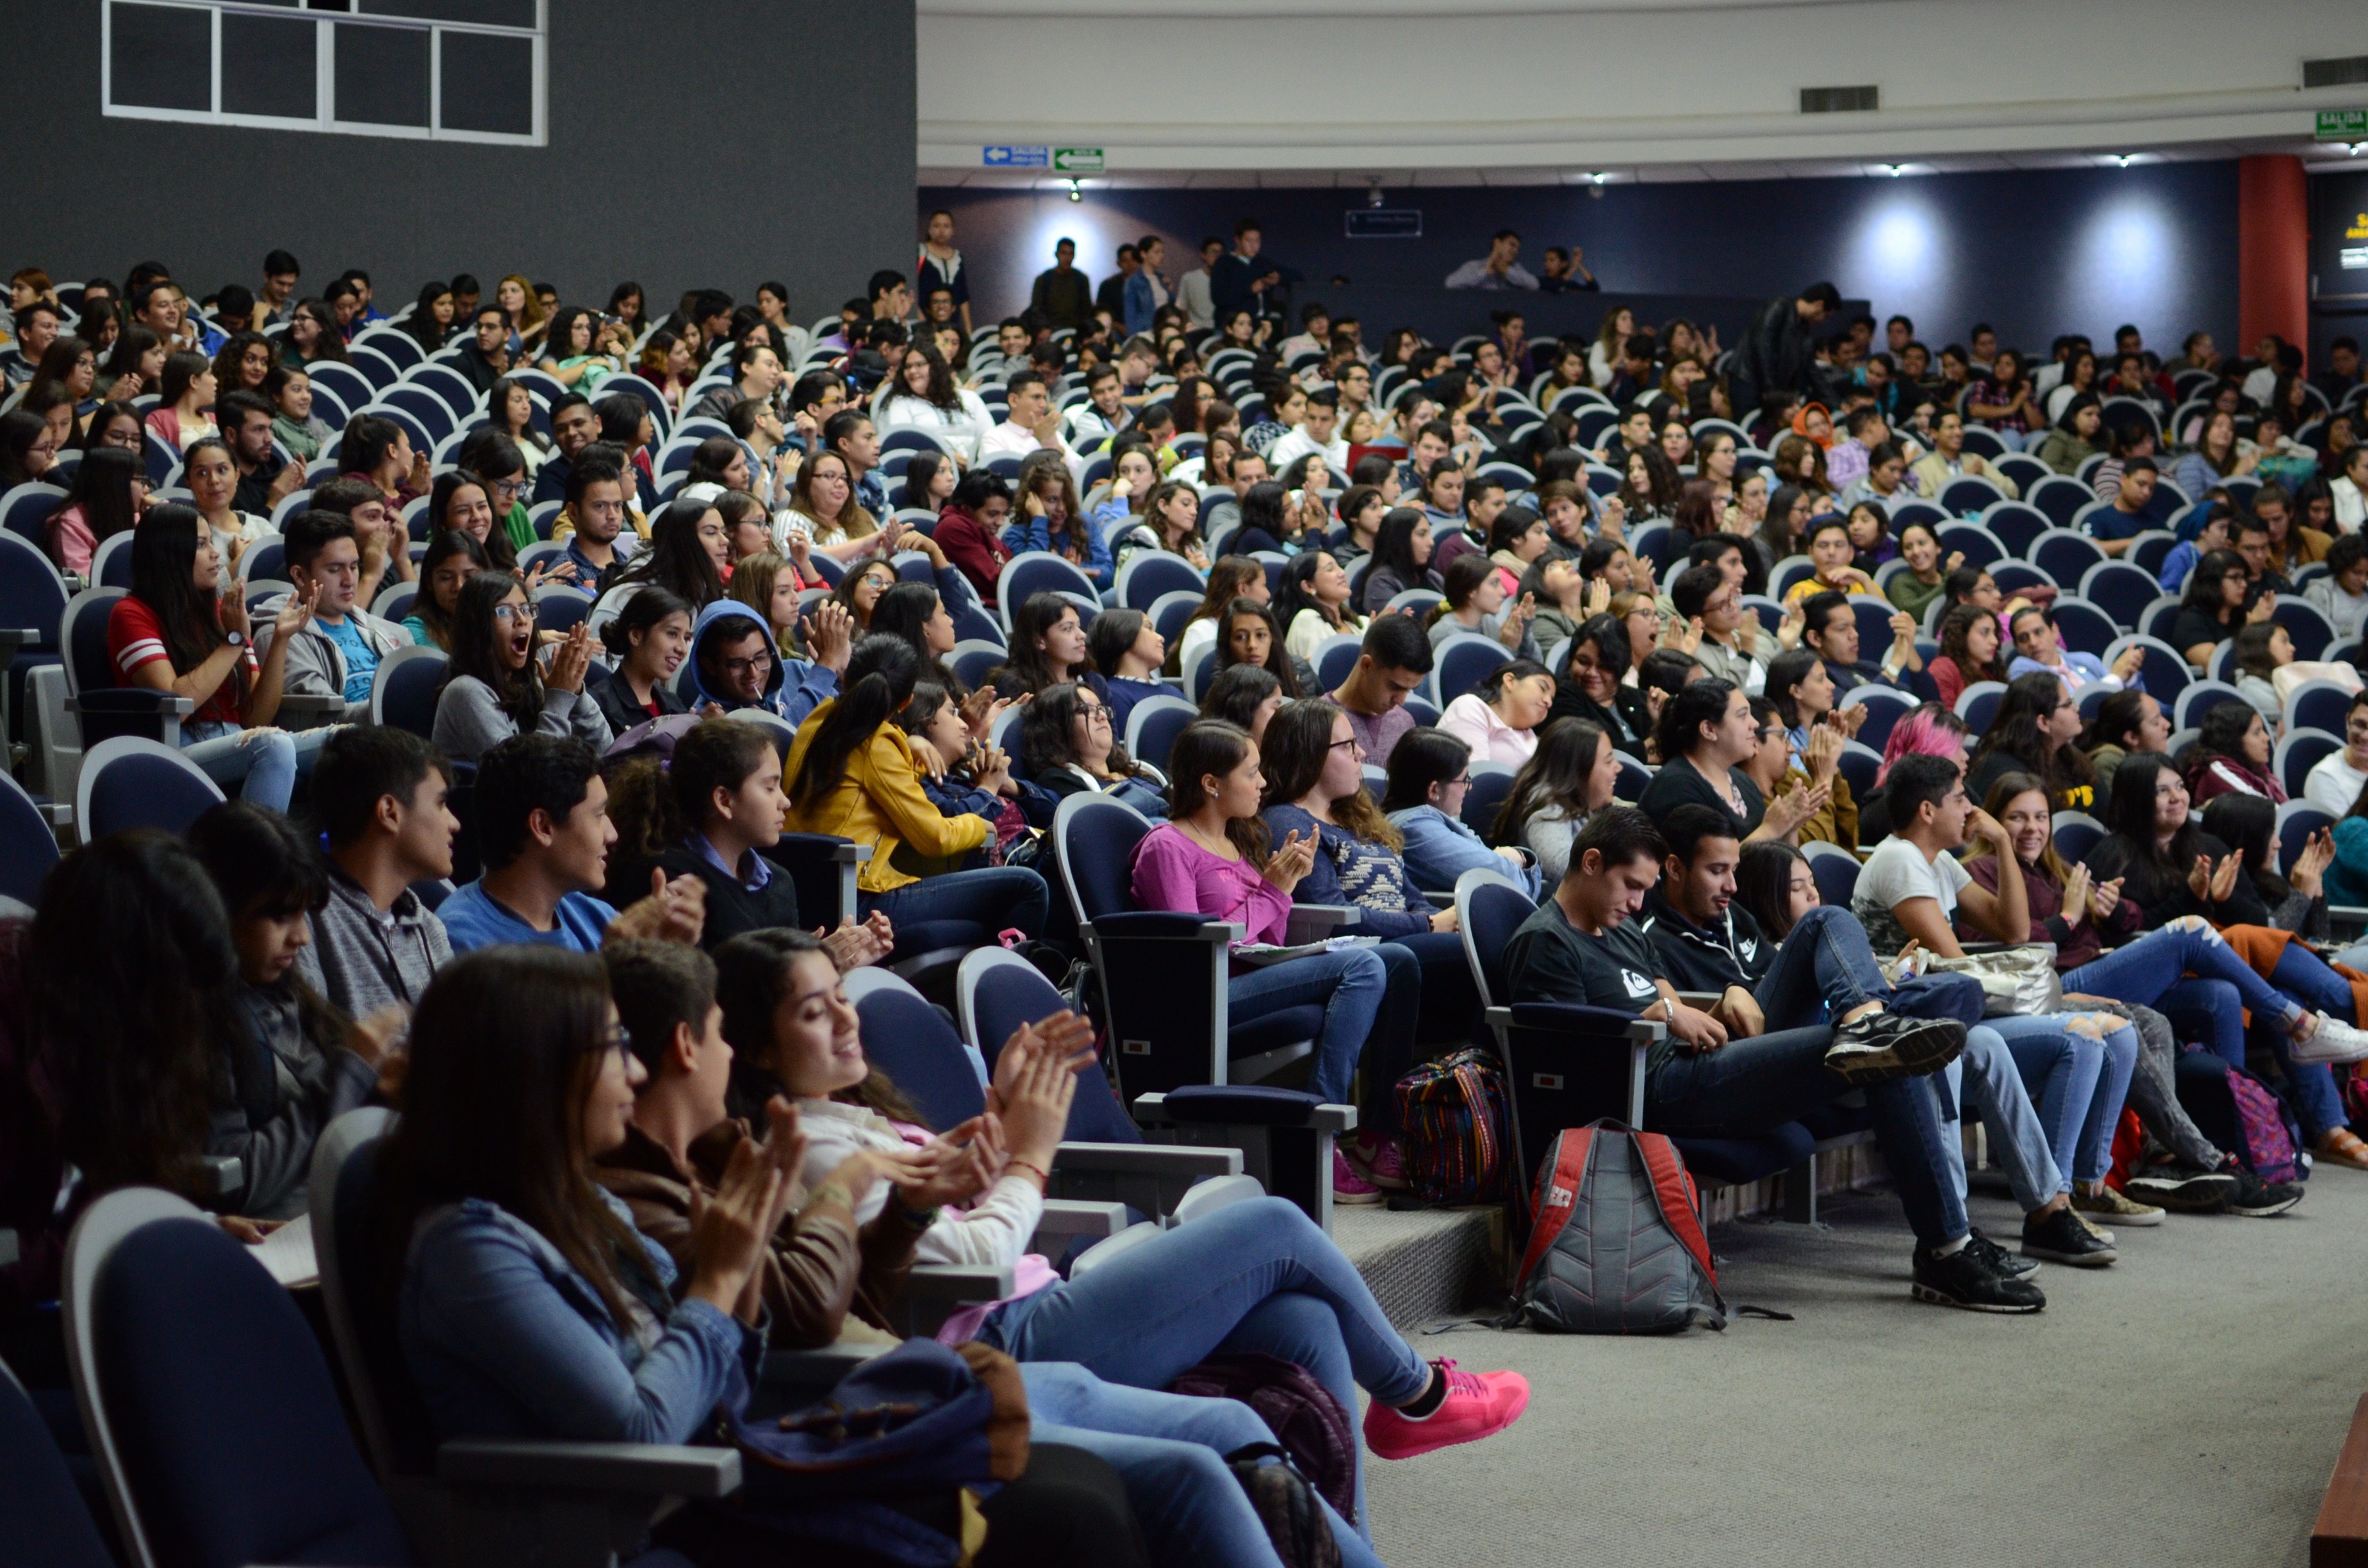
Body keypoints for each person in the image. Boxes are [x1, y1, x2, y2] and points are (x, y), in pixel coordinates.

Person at [716, 926, 1522, 1553]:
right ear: (753, 1048)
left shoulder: (852, 1115)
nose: (845, 1020)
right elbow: (970, 1262)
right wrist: (1030, 1152)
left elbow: (950, 1215)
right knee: (1275, 1226)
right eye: (812, 1011)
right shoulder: (811, 1146)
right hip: (1001, 1338)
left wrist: (997, 1130)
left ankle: (1340, 1549)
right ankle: (1416, 1396)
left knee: (1301, 1323)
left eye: (840, 998)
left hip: (1040, 1303)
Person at [380, 947, 1192, 1568]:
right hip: (649, 1519)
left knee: (1083, 1490)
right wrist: (727, 1277)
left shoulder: (579, 1203)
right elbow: (643, 1427)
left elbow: (762, 1338)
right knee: (1073, 1514)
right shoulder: (474, 1250)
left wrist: (882, 1214)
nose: (632, 1068)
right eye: (610, 1048)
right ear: (536, 1075)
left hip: (734, 1460)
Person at [1505, 805, 2054, 1308]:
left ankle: (1865, 1019)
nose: (1637, 903)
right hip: (1658, 1085)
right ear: (1592, 862)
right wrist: (1669, 1019)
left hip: (1703, 1056)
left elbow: (1665, 996)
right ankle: (1946, 1248)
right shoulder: (1547, 941)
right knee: (1892, 1054)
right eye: (1630, 886)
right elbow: (1569, 1049)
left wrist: (1721, 1002)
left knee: (1825, 922)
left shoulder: (1617, 927)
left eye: (1645, 889)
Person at [1961, 776, 2301, 1215]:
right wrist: (2069, 917)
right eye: (2017, 818)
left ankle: (2161, 1159)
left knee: (2166, 1016)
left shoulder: (2057, 868)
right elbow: (2005, 947)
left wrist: (2113, 908)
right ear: (1994, 821)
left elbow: (2128, 919)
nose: (2032, 829)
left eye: (2041, 817)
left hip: (2085, 974)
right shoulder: (1981, 872)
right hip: (2047, 989)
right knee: (2190, 932)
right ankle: (2215, 1151)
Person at [1848, 756, 2146, 1250]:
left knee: (2116, 1029)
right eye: (1961, 798)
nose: (1971, 809)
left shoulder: (1937, 861)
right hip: (1910, 1026)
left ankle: (2075, 1191)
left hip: (1948, 1013)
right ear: (1927, 810)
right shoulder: (1898, 860)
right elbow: (1955, 967)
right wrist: (2054, 996)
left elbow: (2010, 929)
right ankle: (2056, 1205)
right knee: (2083, 1039)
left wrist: (2004, 843)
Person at [2081, 753, 2368, 1169]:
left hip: (2227, 972)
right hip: (2163, 980)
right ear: (2137, 797)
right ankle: (2344, 1008)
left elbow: (2258, 921)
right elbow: (2135, 942)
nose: (2177, 798)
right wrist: (2198, 899)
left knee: (2252, 982)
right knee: (2246, 950)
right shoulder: (2114, 857)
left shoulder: (2208, 847)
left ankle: (2317, 1127)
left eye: (2180, 786)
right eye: (2162, 790)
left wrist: (2226, 898)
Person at [785, 635, 1051, 942]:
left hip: (806, 893)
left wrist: (912, 748)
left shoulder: (816, 719)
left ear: (847, 678)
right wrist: (981, 824)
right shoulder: (878, 743)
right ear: (906, 702)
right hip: (856, 903)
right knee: (1028, 887)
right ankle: (1001, 983)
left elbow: (877, 781)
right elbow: (935, 837)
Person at [108, 503, 316, 810]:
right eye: (201, 545)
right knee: (274, 745)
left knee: (343, 741)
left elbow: (255, 718)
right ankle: (261, 856)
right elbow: (175, 704)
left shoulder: (222, 612)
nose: (216, 553)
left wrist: (280, 641)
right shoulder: (131, 614)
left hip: (238, 740)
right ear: (170, 555)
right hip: (173, 747)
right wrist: (233, 641)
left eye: (211, 542)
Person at [436, 734, 705, 954]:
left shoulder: (594, 916)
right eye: (598, 816)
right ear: (543, 827)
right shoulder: (463, 944)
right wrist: (614, 974)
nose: (612, 834)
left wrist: (672, 955)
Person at [432, 571, 611, 764]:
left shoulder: (533, 680)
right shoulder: (465, 692)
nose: (522, 620)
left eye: (526, 609)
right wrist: (560, 698)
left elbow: (606, 749)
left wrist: (575, 692)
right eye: (505, 611)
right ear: (477, 627)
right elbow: (527, 779)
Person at [259, 508, 414, 723]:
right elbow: (324, 714)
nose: (349, 580)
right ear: (300, 575)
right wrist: (395, 709)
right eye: (335, 569)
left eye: (354, 566)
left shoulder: (387, 630)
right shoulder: (279, 634)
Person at [1638, 678, 1826, 845]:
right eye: (1743, 716)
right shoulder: (1676, 787)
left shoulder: (1742, 781)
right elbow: (1712, 872)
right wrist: (1770, 830)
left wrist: (1789, 828)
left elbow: (1776, 865)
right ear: (1709, 729)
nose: (1755, 724)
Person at [1019, 682, 1167, 813]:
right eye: (1084, 710)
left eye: (1100, 708)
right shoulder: (1057, 781)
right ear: (1056, 728)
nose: (1102, 716)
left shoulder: (1146, 769)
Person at [1963, 672, 2099, 812]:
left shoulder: (2071, 757)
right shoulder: (2002, 770)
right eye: (2068, 704)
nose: (2077, 708)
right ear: (2043, 722)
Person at [1322, 612, 1433, 766]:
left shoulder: (1404, 722)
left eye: (1409, 690)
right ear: (1367, 665)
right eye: (1395, 687)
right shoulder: (1317, 725)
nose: (1401, 701)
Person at [589, 586, 696, 736]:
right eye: (672, 634)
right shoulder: (597, 706)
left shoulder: (674, 704)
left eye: (686, 638)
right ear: (636, 636)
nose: (682, 649)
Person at [42, 441, 147, 576]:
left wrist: (153, 525)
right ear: (116, 484)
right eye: (141, 481)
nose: (147, 489)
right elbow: (86, 582)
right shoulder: (70, 525)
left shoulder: (137, 517)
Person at [1438, 658, 1556, 767]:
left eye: (1552, 698)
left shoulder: (1534, 740)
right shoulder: (1470, 707)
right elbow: (1474, 778)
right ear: (1510, 681)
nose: (1548, 702)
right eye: (1542, 688)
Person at [2081, 687, 2171, 817]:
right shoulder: (2108, 762)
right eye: (2156, 723)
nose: (2167, 725)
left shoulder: (2156, 759)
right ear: (2132, 738)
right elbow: (2117, 817)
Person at [2182, 699, 2282, 808]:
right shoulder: (2217, 771)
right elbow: (2268, 812)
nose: (2266, 738)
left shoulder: (2256, 769)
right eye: (2257, 733)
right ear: (2234, 740)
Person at [1360, 508, 1443, 615]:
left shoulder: (1431, 576)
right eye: (1422, 534)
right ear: (1400, 540)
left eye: (1429, 534)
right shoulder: (1380, 583)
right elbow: (1394, 629)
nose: (1431, 542)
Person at [2306, 689, 2368, 816]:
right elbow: (2348, 835)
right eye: (2360, 725)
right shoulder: (2326, 778)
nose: (2365, 736)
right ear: (2347, 721)